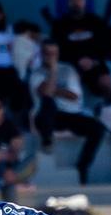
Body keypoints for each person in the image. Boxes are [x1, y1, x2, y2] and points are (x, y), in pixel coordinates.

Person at [29, 39, 105, 184]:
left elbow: (74, 96)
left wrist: (54, 89)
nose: (50, 56)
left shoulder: (68, 70)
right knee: (48, 103)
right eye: (47, 53)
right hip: (45, 116)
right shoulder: (36, 73)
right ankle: (47, 141)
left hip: (70, 114)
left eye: (53, 53)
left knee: (98, 128)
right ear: (42, 54)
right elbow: (46, 94)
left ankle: (83, 166)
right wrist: (52, 71)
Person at [53, 0, 111, 93]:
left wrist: (94, 61)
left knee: (107, 82)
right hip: (71, 64)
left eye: (79, 0)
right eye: (73, 0)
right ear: (68, 3)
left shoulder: (96, 21)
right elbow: (58, 50)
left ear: (85, 2)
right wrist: (77, 61)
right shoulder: (59, 25)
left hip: (95, 62)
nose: (76, 3)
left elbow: (106, 45)